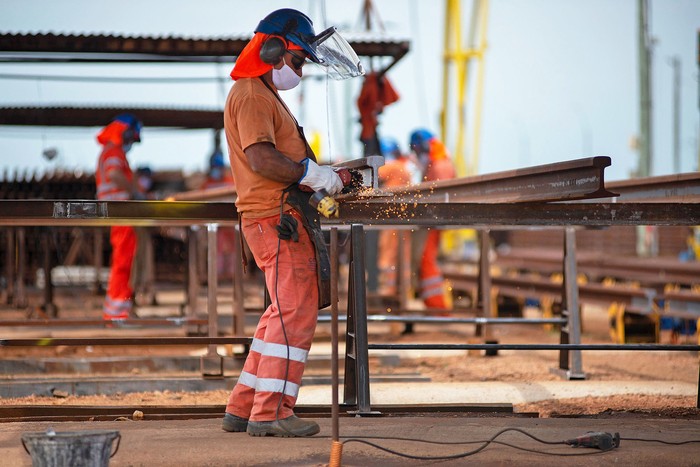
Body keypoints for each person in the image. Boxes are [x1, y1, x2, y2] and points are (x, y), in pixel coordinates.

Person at [220, 8, 362, 437]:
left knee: (280, 313)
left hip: (278, 215)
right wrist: (313, 175)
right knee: (295, 313)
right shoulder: (251, 95)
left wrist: (324, 175)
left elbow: (282, 155)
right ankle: (272, 414)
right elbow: (261, 157)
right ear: (274, 49)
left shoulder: (263, 95)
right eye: (299, 61)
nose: (300, 70)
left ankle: (244, 406)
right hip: (275, 218)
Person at [95, 113, 143, 320]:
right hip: (119, 210)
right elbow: (115, 175)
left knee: (124, 259)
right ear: (125, 132)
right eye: (131, 138)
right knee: (123, 261)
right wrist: (135, 192)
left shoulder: (110, 151)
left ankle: (117, 310)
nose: (131, 143)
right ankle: (117, 313)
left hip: (119, 211)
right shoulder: (113, 151)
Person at [409, 128, 456, 310]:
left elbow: (437, 194)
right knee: (424, 259)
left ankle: (438, 307)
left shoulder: (439, 165)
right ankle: (434, 305)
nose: (417, 155)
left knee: (426, 259)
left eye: (417, 150)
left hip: (433, 221)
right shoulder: (437, 161)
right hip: (431, 220)